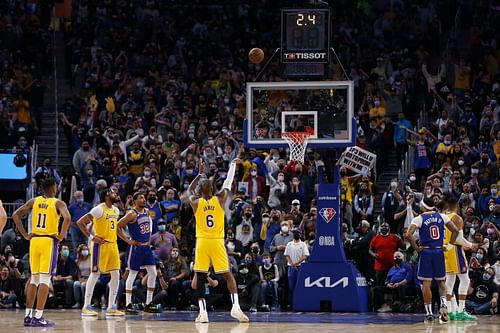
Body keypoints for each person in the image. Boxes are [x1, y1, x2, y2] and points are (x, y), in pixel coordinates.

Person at [187, 158, 249, 323]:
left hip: (202, 242)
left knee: (200, 277)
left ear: (200, 191)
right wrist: (233, 165)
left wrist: (199, 174)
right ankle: (235, 307)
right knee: (228, 275)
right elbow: (228, 182)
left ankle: (203, 312)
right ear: (213, 188)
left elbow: (189, 190)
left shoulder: (195, 202)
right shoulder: (220, 198)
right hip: (217, 241)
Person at [12, 178, 71, 327]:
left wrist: (26, 235)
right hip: (48, 241)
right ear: (54, 188)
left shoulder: (34, 201)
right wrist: (62, 235)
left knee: (34, 279)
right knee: (45, 280)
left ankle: (28, 316)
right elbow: (68, 218)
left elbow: (15, 215)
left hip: (34, 241)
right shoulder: (58, 203)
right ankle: (38, 316)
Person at [405, 197, 469, 323]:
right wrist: (449, 246)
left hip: (426, 252)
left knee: (426, 284)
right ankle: (444, 305)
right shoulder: (442, 217)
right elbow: (455, 231)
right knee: (441, 282)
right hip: (440, 251)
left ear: (423, 206)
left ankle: (429, 313)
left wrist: (417, 248)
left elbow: (407, 235)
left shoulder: (419, 218)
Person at [76, 188, 124, 317]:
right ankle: (86, 306)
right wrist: (92, 237)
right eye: (113, 192)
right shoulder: (98, 209)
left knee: (116, 274)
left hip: (113, 244)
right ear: (107, 195)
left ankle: (111, 307)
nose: (116, 194)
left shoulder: (116, 210)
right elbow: (80, 222)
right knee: (95, 273)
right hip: (100, 245)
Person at [117, 192, 159, 314]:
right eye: (141, 198)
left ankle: (148, 303)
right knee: (132, 274)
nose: (144, 199)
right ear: (135, 201)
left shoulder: (146, 212)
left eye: (144, 198)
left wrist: (149, 240)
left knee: (153, 273)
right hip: (136, 248)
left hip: (147, 248)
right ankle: (128, 304)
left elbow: (149, 229)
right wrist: (127, 240)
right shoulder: (131, 214)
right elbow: (117, 226)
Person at [443, 195, 477, 321]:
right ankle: (461, 310)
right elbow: (458, 239)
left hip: (445, 250)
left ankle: (450, 311)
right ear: (457, 206)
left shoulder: (443, 217)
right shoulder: (457, 218)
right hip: (455, 250)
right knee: (465, 279)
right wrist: (471, 245)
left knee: (450, 280)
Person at [284, 229, 309, 309]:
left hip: (300, 267)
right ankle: (291, 304)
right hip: (291, 267)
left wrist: (296, 263)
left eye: (298, 233)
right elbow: (287, 255)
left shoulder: (303, 244)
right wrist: (292, 264)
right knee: (291, 286)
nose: (296, 234)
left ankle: (300, 303)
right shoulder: (289, 244)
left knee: (299, 286)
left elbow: (305, 256)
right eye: (295, 233)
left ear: (300, 234)